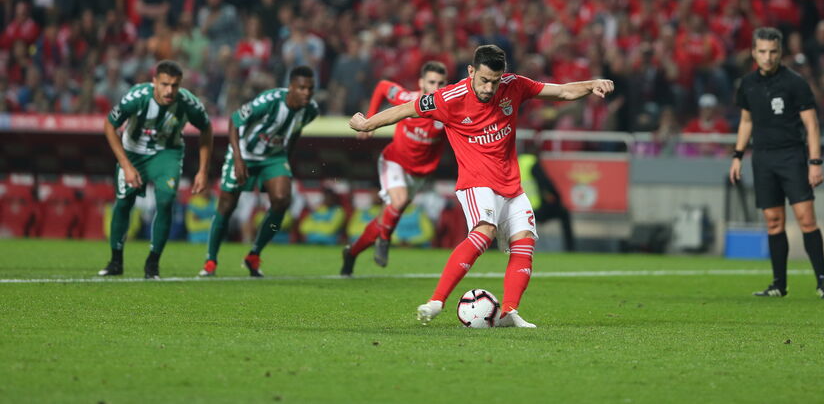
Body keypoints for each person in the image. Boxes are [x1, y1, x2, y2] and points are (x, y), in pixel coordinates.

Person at [350, 45, 613, 328]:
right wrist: (368, 124)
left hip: (510, 183)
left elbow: (561, 92)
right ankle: (436, 301)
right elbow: (405, 110)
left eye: (495, 81)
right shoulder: (449, 98)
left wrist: (592, 84)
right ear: (471, 71)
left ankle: (509, 312)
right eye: (484, 80)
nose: (489, 88)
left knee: (524, 241)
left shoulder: (514, 86)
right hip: (476, 182)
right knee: (485, 231)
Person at [729, 28, 824, 300]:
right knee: (773, 221)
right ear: (753, 52)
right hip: (762, 158)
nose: (767, 57)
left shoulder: (795, 83)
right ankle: (779, 284)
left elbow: (811, 125)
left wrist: (815, 162)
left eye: (773, 52)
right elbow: (746, 121)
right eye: (762, 52)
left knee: (806, 218)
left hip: (791, 156)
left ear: (780, 52)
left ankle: (823, 283)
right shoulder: (748, 84)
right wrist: (738, 156)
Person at [199, 66, 319, 277]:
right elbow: (234, 121)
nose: (307, 93)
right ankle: (211, 260)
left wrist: (286, 161)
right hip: (244, 152)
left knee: (282, 200)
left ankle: (254, 255)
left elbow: (295, 133)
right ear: (290, 87)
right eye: (302, 88)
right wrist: (238, 159)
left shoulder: (311, 110)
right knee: (227, 205)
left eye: (310, 88)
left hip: (273, 157)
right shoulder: (269, 101)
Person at [98, 60, 213, 280]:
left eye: (175, 85)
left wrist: (203, 170)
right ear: (154, 83)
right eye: (164, 84)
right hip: (133, 153)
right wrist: (126, 165)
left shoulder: (189, 103)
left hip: (166, 153)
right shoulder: (136, 97)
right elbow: (109, 125)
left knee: (166, 200)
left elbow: (206, 129)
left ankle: (153, 263)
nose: (170, 90)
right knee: (123, 203)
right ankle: (115, 261)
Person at [341, 61, 448, 276]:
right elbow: (382, 86)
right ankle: (385, 240)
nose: (436, 87)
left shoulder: (448, 108)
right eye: (431, 82)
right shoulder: (407, 99)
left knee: (385, 219)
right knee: (397, 204)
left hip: (418, 174)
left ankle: (351, 253)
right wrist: (369, 119)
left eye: (441, 83)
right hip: (394, 162)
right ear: (421, 83)